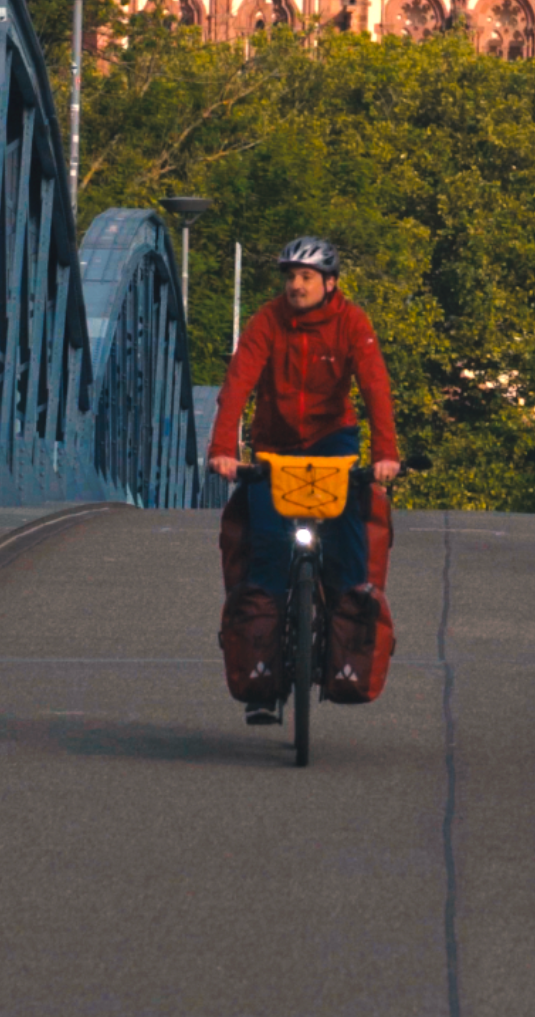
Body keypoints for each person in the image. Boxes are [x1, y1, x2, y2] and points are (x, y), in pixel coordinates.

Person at [208, 235, 400, 716]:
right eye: (291, 276)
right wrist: (223, 449)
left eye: (307, 277)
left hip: (333, 441)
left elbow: (374, 384)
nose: (296, 285)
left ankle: (346, 648)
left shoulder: (352, 322)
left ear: (330, 283)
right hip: (274, 445)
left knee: (348, 540)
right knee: (267, 550)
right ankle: (264, 678)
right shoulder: (268, 320)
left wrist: (385, 454)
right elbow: (238, 381)